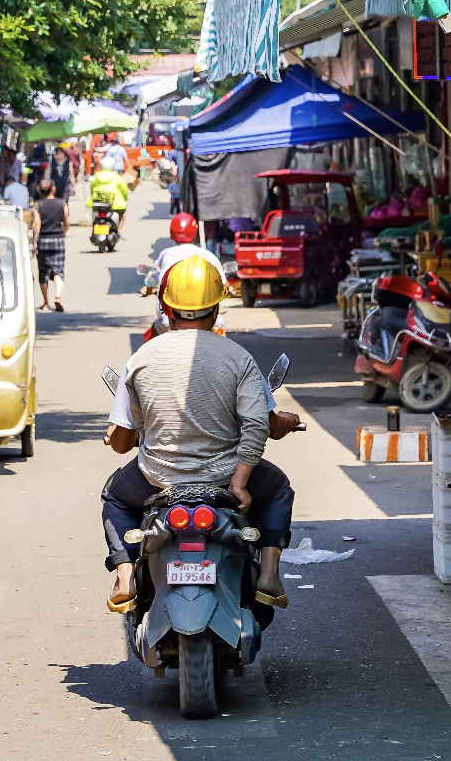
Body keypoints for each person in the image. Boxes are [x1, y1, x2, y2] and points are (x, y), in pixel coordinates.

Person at [102, 254, 301, 613]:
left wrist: (119, 435)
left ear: (168, 309)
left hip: (156, 480)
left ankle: (125, 575)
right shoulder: (238, 358)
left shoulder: (141, 358)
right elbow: (258, 425)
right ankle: (269, 573)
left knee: (115, 497)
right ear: (216, 307)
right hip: (223, 480)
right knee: (278, 490)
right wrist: (239, 484)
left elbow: (121, 443)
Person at [31, 179, 69, 312]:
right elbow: (66, 221)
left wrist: (34, 243)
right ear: (53, 189)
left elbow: (36, 224)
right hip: (57, 240)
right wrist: (63, 233)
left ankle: (46, 302)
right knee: (58, 270)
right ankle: (58, 295)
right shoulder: (61, 203)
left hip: (43, 242)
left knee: (43, 273)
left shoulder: (37, 205)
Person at [87, 156, 130, 233]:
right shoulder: (116, 177)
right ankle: (119, 230)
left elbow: (92, 187)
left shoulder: (97, 176)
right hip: (114, 204)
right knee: (123, 214)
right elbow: (124, 190)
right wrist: (125, 197)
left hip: (98, 202)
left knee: (94, 212)